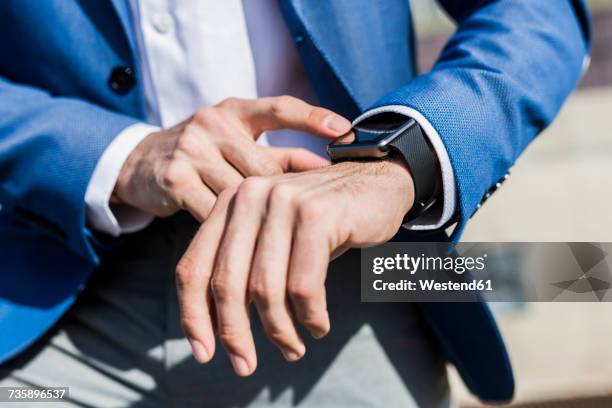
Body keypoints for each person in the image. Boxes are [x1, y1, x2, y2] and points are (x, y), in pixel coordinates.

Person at [0, 0, 590, 406]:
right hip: (46, 307)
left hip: (351, 281)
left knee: (582, 271)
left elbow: (536, 13)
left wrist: (403, 158)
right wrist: (115, 154)